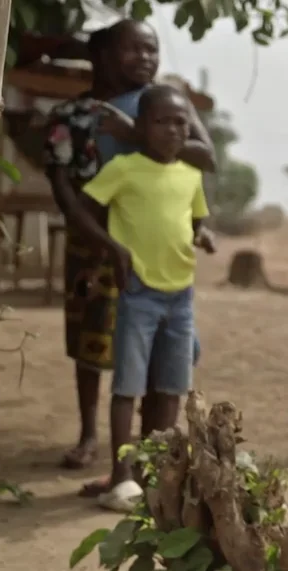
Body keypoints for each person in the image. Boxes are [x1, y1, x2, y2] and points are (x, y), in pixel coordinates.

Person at [44, 19, 214, 480]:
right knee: (91, 341)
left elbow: (206, 157)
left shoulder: (165, 104)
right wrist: (94, 237)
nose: (145, 59)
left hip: (155, 249)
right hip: (95, 245)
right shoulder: (71, 116)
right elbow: (63, 186)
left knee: (164, 346)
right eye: (132, 50)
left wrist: (138, 134)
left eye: (152, 50)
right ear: (102, 56)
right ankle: (89, 436)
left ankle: (149, 444)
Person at [67, 84, 216, 512]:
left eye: (181, 122)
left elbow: (196, 220)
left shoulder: (190, 174)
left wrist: (203, 235)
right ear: (141, 126)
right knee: (128, 386)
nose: (173, 130)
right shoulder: (124, 169)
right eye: (162, 121)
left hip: (181, 297)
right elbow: (82, 209)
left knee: (171, 387)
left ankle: (154, 473)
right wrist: (112, 248)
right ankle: (122, 476)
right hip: (139, 295)